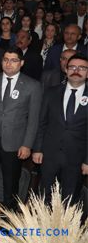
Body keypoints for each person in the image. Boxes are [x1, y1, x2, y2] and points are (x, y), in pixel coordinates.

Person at [0, 47, 42, 213]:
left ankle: (8, 217)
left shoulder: (33, 86)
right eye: (5, 60)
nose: (9, 64)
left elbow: (33, 120)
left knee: (11, 183)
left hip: (15, 142)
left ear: (21, 63)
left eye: (14, 60)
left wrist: (27, 145)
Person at [33, 54, 88, 204]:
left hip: (76, 159)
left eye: (82, 68)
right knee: (44, 196)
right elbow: (41, 122)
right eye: (72, 67)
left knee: (69, 200)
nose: (76, 70)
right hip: (49, 155)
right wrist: (37, 149)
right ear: (66, 69)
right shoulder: (51, 92)